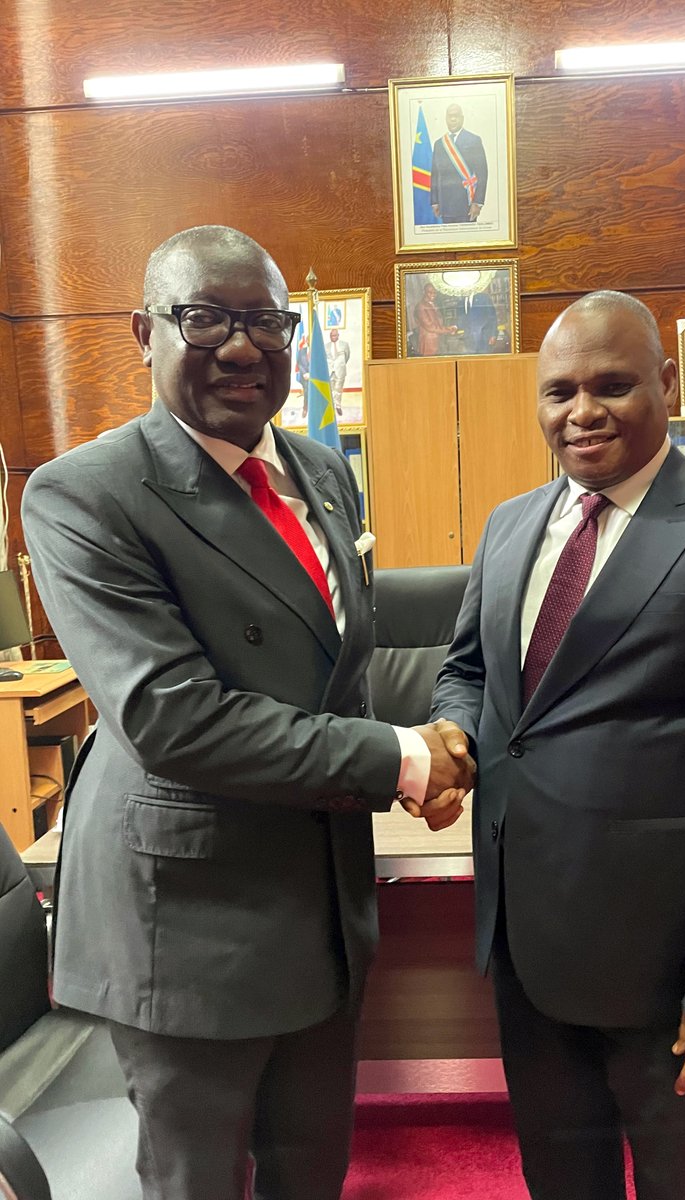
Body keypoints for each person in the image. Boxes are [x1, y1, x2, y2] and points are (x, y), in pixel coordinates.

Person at [21, 225, 472, 1200]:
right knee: (200, 1182)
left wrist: (427, 752)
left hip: (322, 905)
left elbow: (335, 668)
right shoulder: (84, 496)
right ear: (144, 333)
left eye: (266, 322)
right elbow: (173, 718)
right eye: (206, 319)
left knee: (313, 1170)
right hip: (190, 922)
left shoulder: (322, 471)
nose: (240, 348)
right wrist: (400, 759)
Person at [429, 291, 685, 1200]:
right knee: (560, 1179)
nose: (583, 412)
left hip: (670, 971)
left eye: (611, 385)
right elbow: (468, 672)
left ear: (668, 384)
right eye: (559, 391)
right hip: (526, 946)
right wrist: (455, 732)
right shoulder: (509, 526)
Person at [430, 103, 489, 224]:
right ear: (446, 119)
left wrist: (477, 202)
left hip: (466, 205)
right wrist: (435, 201)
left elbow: (482, 173)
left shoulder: (474, 140)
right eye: (450, 116)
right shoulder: (439, 144)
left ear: (462, 118)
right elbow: (435, 174)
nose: (453, 119)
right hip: (445, 205)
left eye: (456, 116)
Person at [413, 281, 456, 356]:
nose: (433, 294)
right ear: (424, 292)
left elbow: (437, 322)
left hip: (437, 341)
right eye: (429, 292)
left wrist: (448, 328)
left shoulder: (433, 304)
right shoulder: (421, 306)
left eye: (434, 292)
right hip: (428, 344)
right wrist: (448, 330)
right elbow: (430, 327)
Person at [459, 287, 498, 355]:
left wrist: (493, 335)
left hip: (484, 338)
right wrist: (456, 326)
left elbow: (492, 317)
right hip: (469, 340)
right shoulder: (461, 302)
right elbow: (462, 319)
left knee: (485, 360)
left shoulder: (484, 298)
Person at [325, 325, 350, 415]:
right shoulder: (326, 346)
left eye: (335, 335)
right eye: (331, 335)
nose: (333, 337)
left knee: (338, 389)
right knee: (330, 389)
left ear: (338, 335)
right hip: (330, 371)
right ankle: (331, 406)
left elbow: (347, 356)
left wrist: (340, 364)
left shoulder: (344, 344)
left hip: (340, 370)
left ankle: (338, 406)